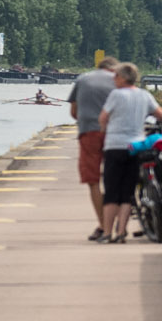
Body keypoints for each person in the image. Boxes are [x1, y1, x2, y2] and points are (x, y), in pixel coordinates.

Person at [98, 62, 162, 243]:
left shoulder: (116, 95)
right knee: (127, 192)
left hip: (115, 146)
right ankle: (122, 232)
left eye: (116, 76)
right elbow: (161, 114)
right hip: (135, 148)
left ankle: (107, 233)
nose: (114, 80)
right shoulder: (144, 95)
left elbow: (103, 118)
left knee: (111, 191)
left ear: (123, 78)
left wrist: (105, 133)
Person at [68, 57, 117, 241]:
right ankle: (117, 225)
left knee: (93, 180)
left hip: (89, 133)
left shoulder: (82, 79)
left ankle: (104, 225)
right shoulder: (117, 80)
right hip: (114, 134)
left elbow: (74, 112)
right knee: (115, 178)